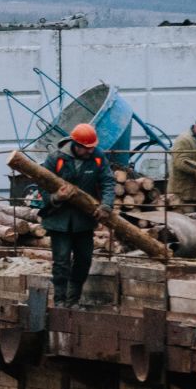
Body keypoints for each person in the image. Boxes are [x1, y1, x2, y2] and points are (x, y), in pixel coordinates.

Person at [34, 123, 114, 306]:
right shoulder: (56, 159)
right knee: (61, 262)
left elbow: (108, 181)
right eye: (86, 148)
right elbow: (43, 185)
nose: (90, 151)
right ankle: (60, 300)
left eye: (92, 148)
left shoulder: (98, 158)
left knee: (84, 261)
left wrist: (106, 206)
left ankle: (73, 300)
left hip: (84, 220)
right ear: (76, 145)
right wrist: (56, 197)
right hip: (59, 220)